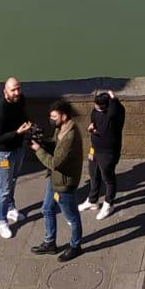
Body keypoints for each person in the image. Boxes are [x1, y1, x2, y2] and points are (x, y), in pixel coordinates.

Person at [30, 98, 85, 263]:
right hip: (54, 180)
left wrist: (38, 150)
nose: (52, 120)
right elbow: (54, 144)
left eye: (54, 117)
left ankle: (76, 246)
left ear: (64, 116)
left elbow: (54, 163)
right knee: (46, 209)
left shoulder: (70, 137)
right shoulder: (60, 128)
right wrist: (40, 140)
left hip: (64, 183)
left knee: (71, 217)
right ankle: (50, 242)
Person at [0, 77, 32, 240]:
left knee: (13, 180)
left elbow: (23, 114)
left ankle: (11, 207)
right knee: (3, 189)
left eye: (18, 88)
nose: (17, 92)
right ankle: (2, 221)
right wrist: (18, 133)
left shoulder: (20, 100)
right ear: (5, 91)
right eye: (13, 90)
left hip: (17, 149)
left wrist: (27, 125)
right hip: (3, 154)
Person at [81, 89, 126, 220]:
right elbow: (94, 124)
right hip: (95, 149)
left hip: (108, 153)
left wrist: (113, 98)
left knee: (108, 179)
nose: (95, 107)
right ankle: (92, 200)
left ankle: (109, 204)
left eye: (97, 105)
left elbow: (104, 128)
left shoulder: (115, 116)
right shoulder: (96, 111)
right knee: (93, 174)